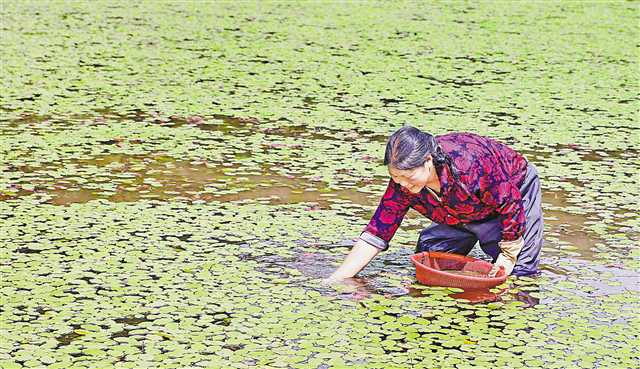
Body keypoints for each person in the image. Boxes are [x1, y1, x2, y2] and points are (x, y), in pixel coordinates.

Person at [326, 125, 543, 282]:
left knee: (518, 274)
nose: (403, 185)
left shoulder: (469, 166)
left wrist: (508, 254)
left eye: (409, 178)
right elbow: (378, 232)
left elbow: (510, 202)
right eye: (396, 178)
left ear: (428, 161)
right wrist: (339, 278)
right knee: (432, 257)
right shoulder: (402, 183)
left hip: (512, 192)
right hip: (456, 209)